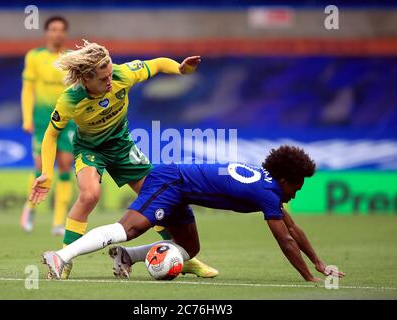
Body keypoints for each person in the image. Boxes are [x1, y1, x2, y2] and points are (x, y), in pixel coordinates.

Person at [30, 40, 218, 279]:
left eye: (110, 74)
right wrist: (46, 172)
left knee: (158, 196)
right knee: (89, 195)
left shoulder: (123, 73)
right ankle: (65, 259)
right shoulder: (70, 99)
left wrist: (180, 70)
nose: (110, 81)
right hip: (90, 149)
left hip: (122, 146)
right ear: (86, 79)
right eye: (103, 78)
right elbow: (51, 134)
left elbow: (159, 64)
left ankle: (184, 257)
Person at [40, 145, 346, 282]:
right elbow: (286, 241)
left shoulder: (268, 187)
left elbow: (294, 231)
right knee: (129, 228)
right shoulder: (268, 192)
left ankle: (126, 257)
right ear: (284, 179)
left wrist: (319, 264)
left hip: (182, 188)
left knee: (190, 249)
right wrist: (308, 278)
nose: (298, 190)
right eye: (298, 184)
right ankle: (62, 255)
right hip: (172, 181)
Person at [20, 16, 75, 236]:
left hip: (67, 119)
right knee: (42, 166)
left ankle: (58, 222)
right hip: (43, 120)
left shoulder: (72, 58)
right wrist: (26, 118)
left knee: (65, 165)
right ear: (47, 33)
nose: (57, 33)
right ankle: (30, 207)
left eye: (61, 30)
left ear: (65, 33)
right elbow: (28, 89)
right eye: (53, 29)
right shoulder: (34, 57)